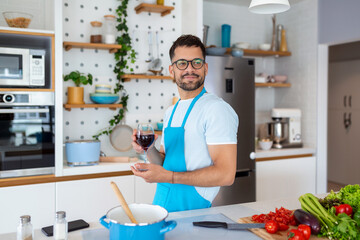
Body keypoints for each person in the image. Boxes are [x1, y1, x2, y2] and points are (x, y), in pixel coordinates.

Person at [131, 34, 239, 212]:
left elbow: (226, 175)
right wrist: (148, 148)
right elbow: (164, 163)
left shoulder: (216, 109)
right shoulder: (171, 112)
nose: (190, 69)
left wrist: (169, 176)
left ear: (205, 68)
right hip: (161, 205)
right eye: (182, 63)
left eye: (196, 62)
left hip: (192, 212)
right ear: (172, 70)